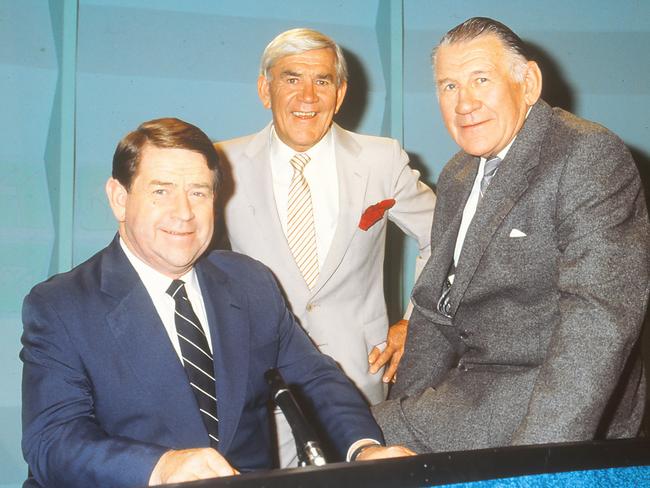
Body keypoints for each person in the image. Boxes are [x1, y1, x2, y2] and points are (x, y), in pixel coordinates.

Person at [20, 118, 413, 488]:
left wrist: (364, 449)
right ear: (119, 199)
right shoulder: (62, 305)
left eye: (199, 192)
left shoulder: (249, 282)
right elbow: (52, 441)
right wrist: (161, 466)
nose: (184, 213)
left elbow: (314, 379)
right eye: (161, 191)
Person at [373, 17, 650, 452]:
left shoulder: (588, 155)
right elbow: (432, 311)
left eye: (480, 79)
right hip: (476, 390)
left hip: (550, 402)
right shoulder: (458, 173)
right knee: (355, 433)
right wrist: (399, 422)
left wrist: (536, 467)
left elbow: (597, 326)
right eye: (448, 86)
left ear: (529, 83)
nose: (463, 103)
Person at [215, 28, 435, 465]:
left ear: (340, 93)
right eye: (291, 78)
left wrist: (415, 324)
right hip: (259, 383)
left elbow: (444, 237)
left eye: (322, 81)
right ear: (265, 88)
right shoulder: (221, 162)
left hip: (359, 382)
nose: (307, 96)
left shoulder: (382, 160)